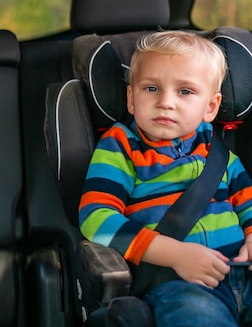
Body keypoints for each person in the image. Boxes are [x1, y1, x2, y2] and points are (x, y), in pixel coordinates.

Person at [79, 30, 252, 326]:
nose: (166, 102)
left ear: (210, 107)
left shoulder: (218, 152)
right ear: (131, 99)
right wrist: (174, 255)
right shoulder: (121, 146)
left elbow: (247, 202)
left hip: (240, 271)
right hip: (176, 282)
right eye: (151, 89)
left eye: (185, 91)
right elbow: (96, 217)